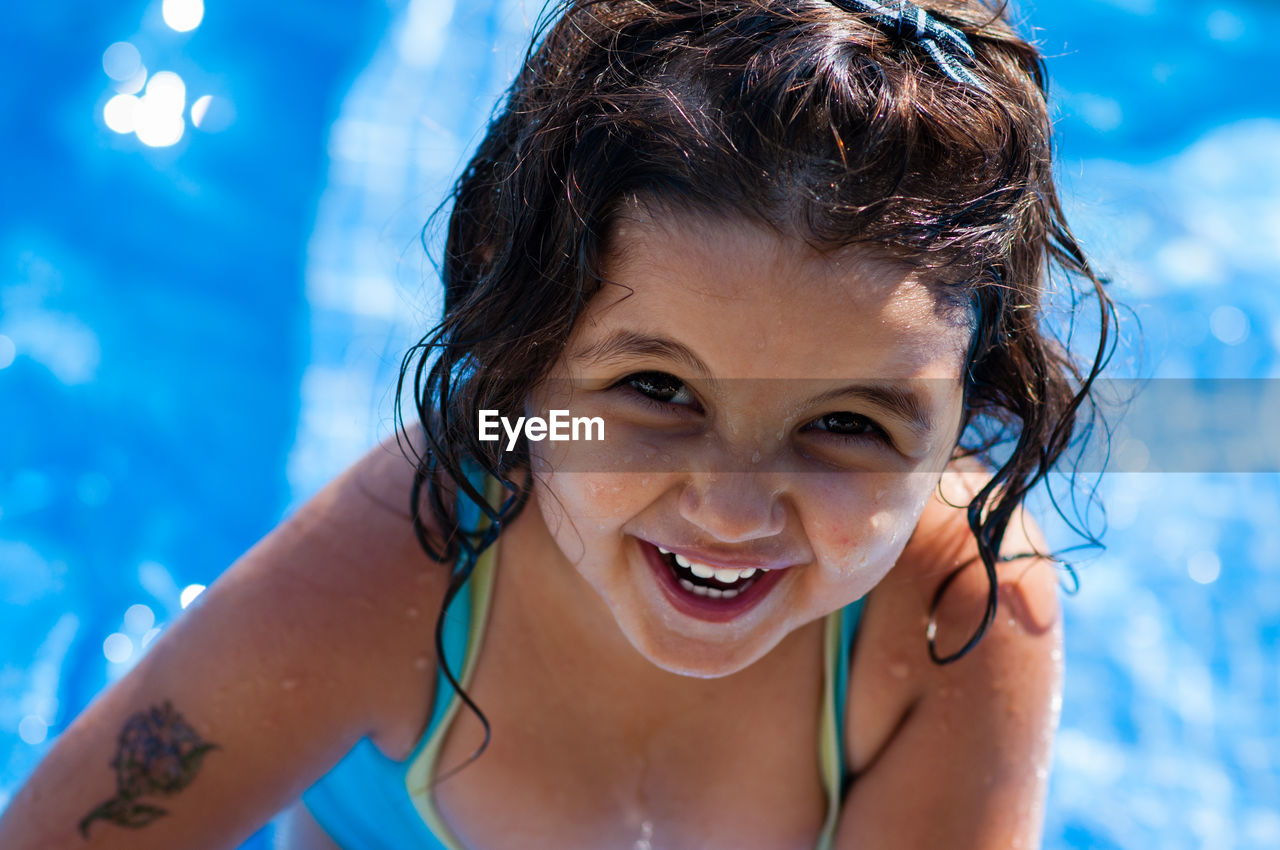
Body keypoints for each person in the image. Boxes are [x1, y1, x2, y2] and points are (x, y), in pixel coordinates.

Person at [0, 0, 1117, 847]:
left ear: (971, 411)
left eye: (845, 423)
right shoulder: (395, 571)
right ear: (522, 355)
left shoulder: (949, 606)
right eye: (656, 392)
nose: (729, 507)